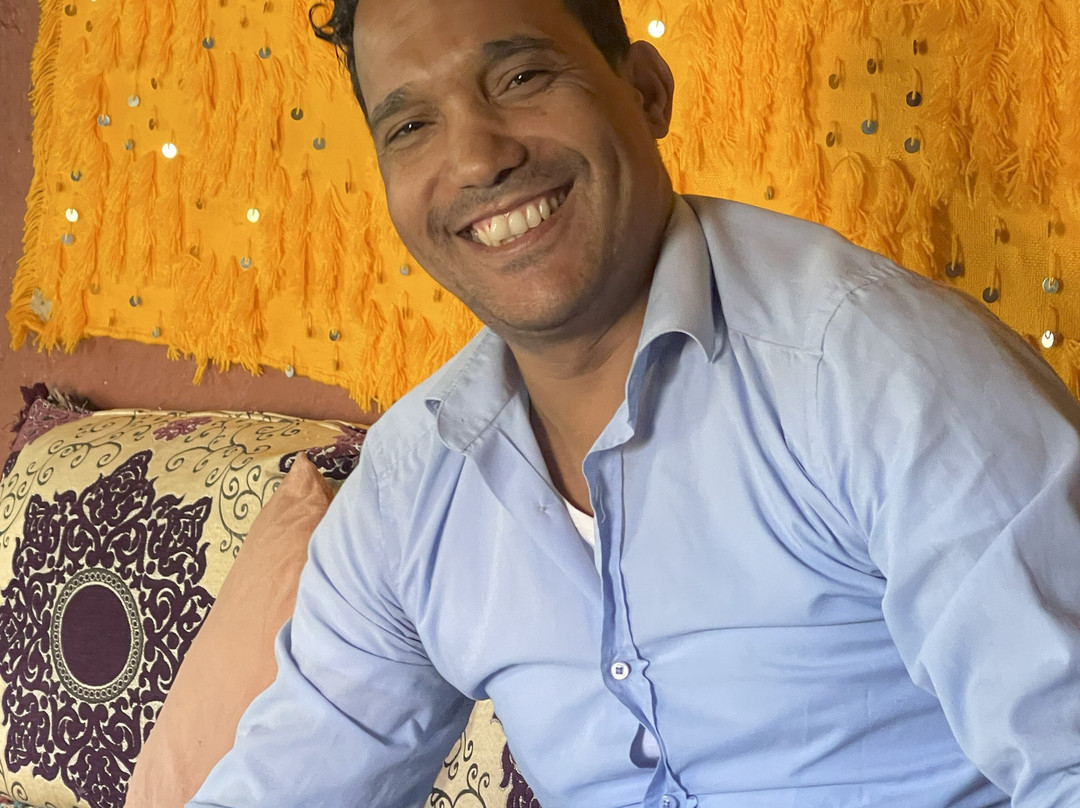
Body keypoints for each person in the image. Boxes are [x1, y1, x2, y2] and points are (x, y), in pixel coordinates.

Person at [188, 0, 1080, 805]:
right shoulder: (410, 485)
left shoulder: (875, 370)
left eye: (521, 77)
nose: (477, 157)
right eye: (412, 125)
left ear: (646, 92)